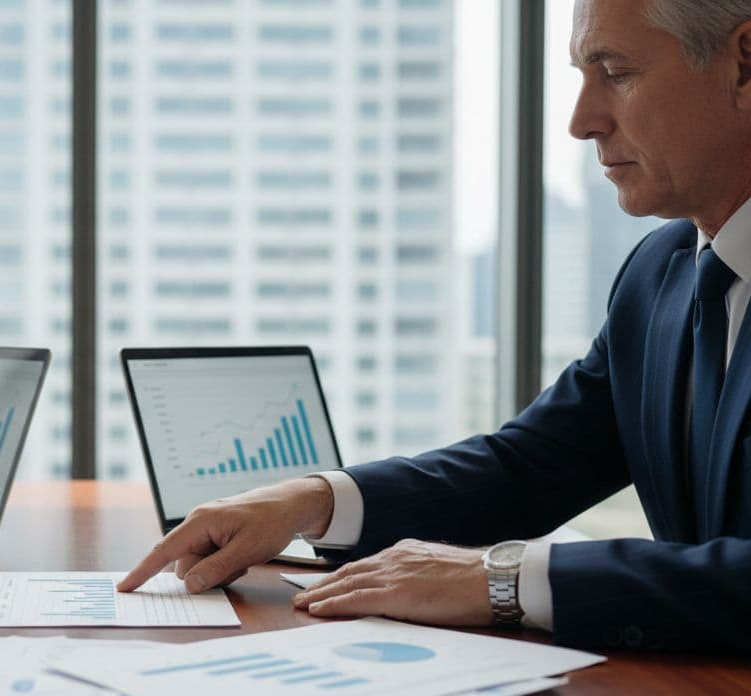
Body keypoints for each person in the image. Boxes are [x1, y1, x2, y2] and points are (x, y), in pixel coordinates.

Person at [121, 0, 751, 655]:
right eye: (580, 75)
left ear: (743, 62)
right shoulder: (662, 272)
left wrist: (502, 581)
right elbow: (529, 468)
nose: (581, 121)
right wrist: (311, 502)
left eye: (616, 72)